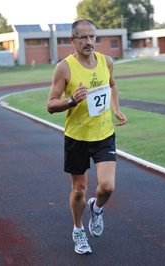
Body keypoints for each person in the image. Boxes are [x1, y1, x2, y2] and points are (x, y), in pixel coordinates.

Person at [46, 19, 127, 255]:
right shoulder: (64, 68)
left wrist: (116, 108)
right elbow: (51, 105)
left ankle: (98, 208)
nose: (90, 42)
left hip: (103, 134)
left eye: (93, 36)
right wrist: (71, 101)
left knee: (108, 186)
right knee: (79, 190)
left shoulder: (106, 61)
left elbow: (112, 85)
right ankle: (78, 230)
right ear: (72, 40)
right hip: (77, 137)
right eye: (84, 37)